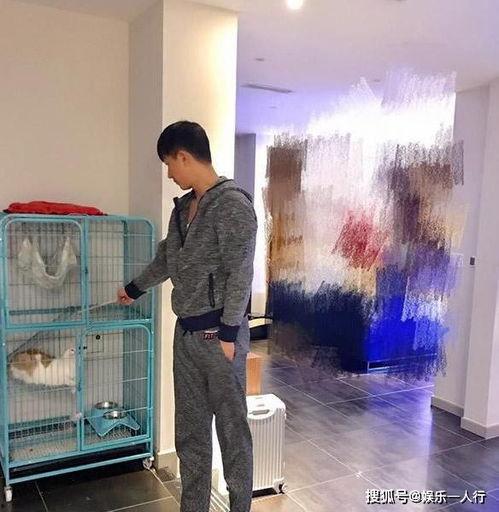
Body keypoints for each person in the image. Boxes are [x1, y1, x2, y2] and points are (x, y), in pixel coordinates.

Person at [117, 121, 256, 512]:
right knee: (190, 435)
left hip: (219, 337)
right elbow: (167, 259)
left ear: (183, 156)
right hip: (187, 337)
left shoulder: (232, 205)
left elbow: (240, 272)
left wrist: (228, 333)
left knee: (232, 433)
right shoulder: (181, 211)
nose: (169, 174)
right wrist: (135, 288)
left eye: (169, 164)